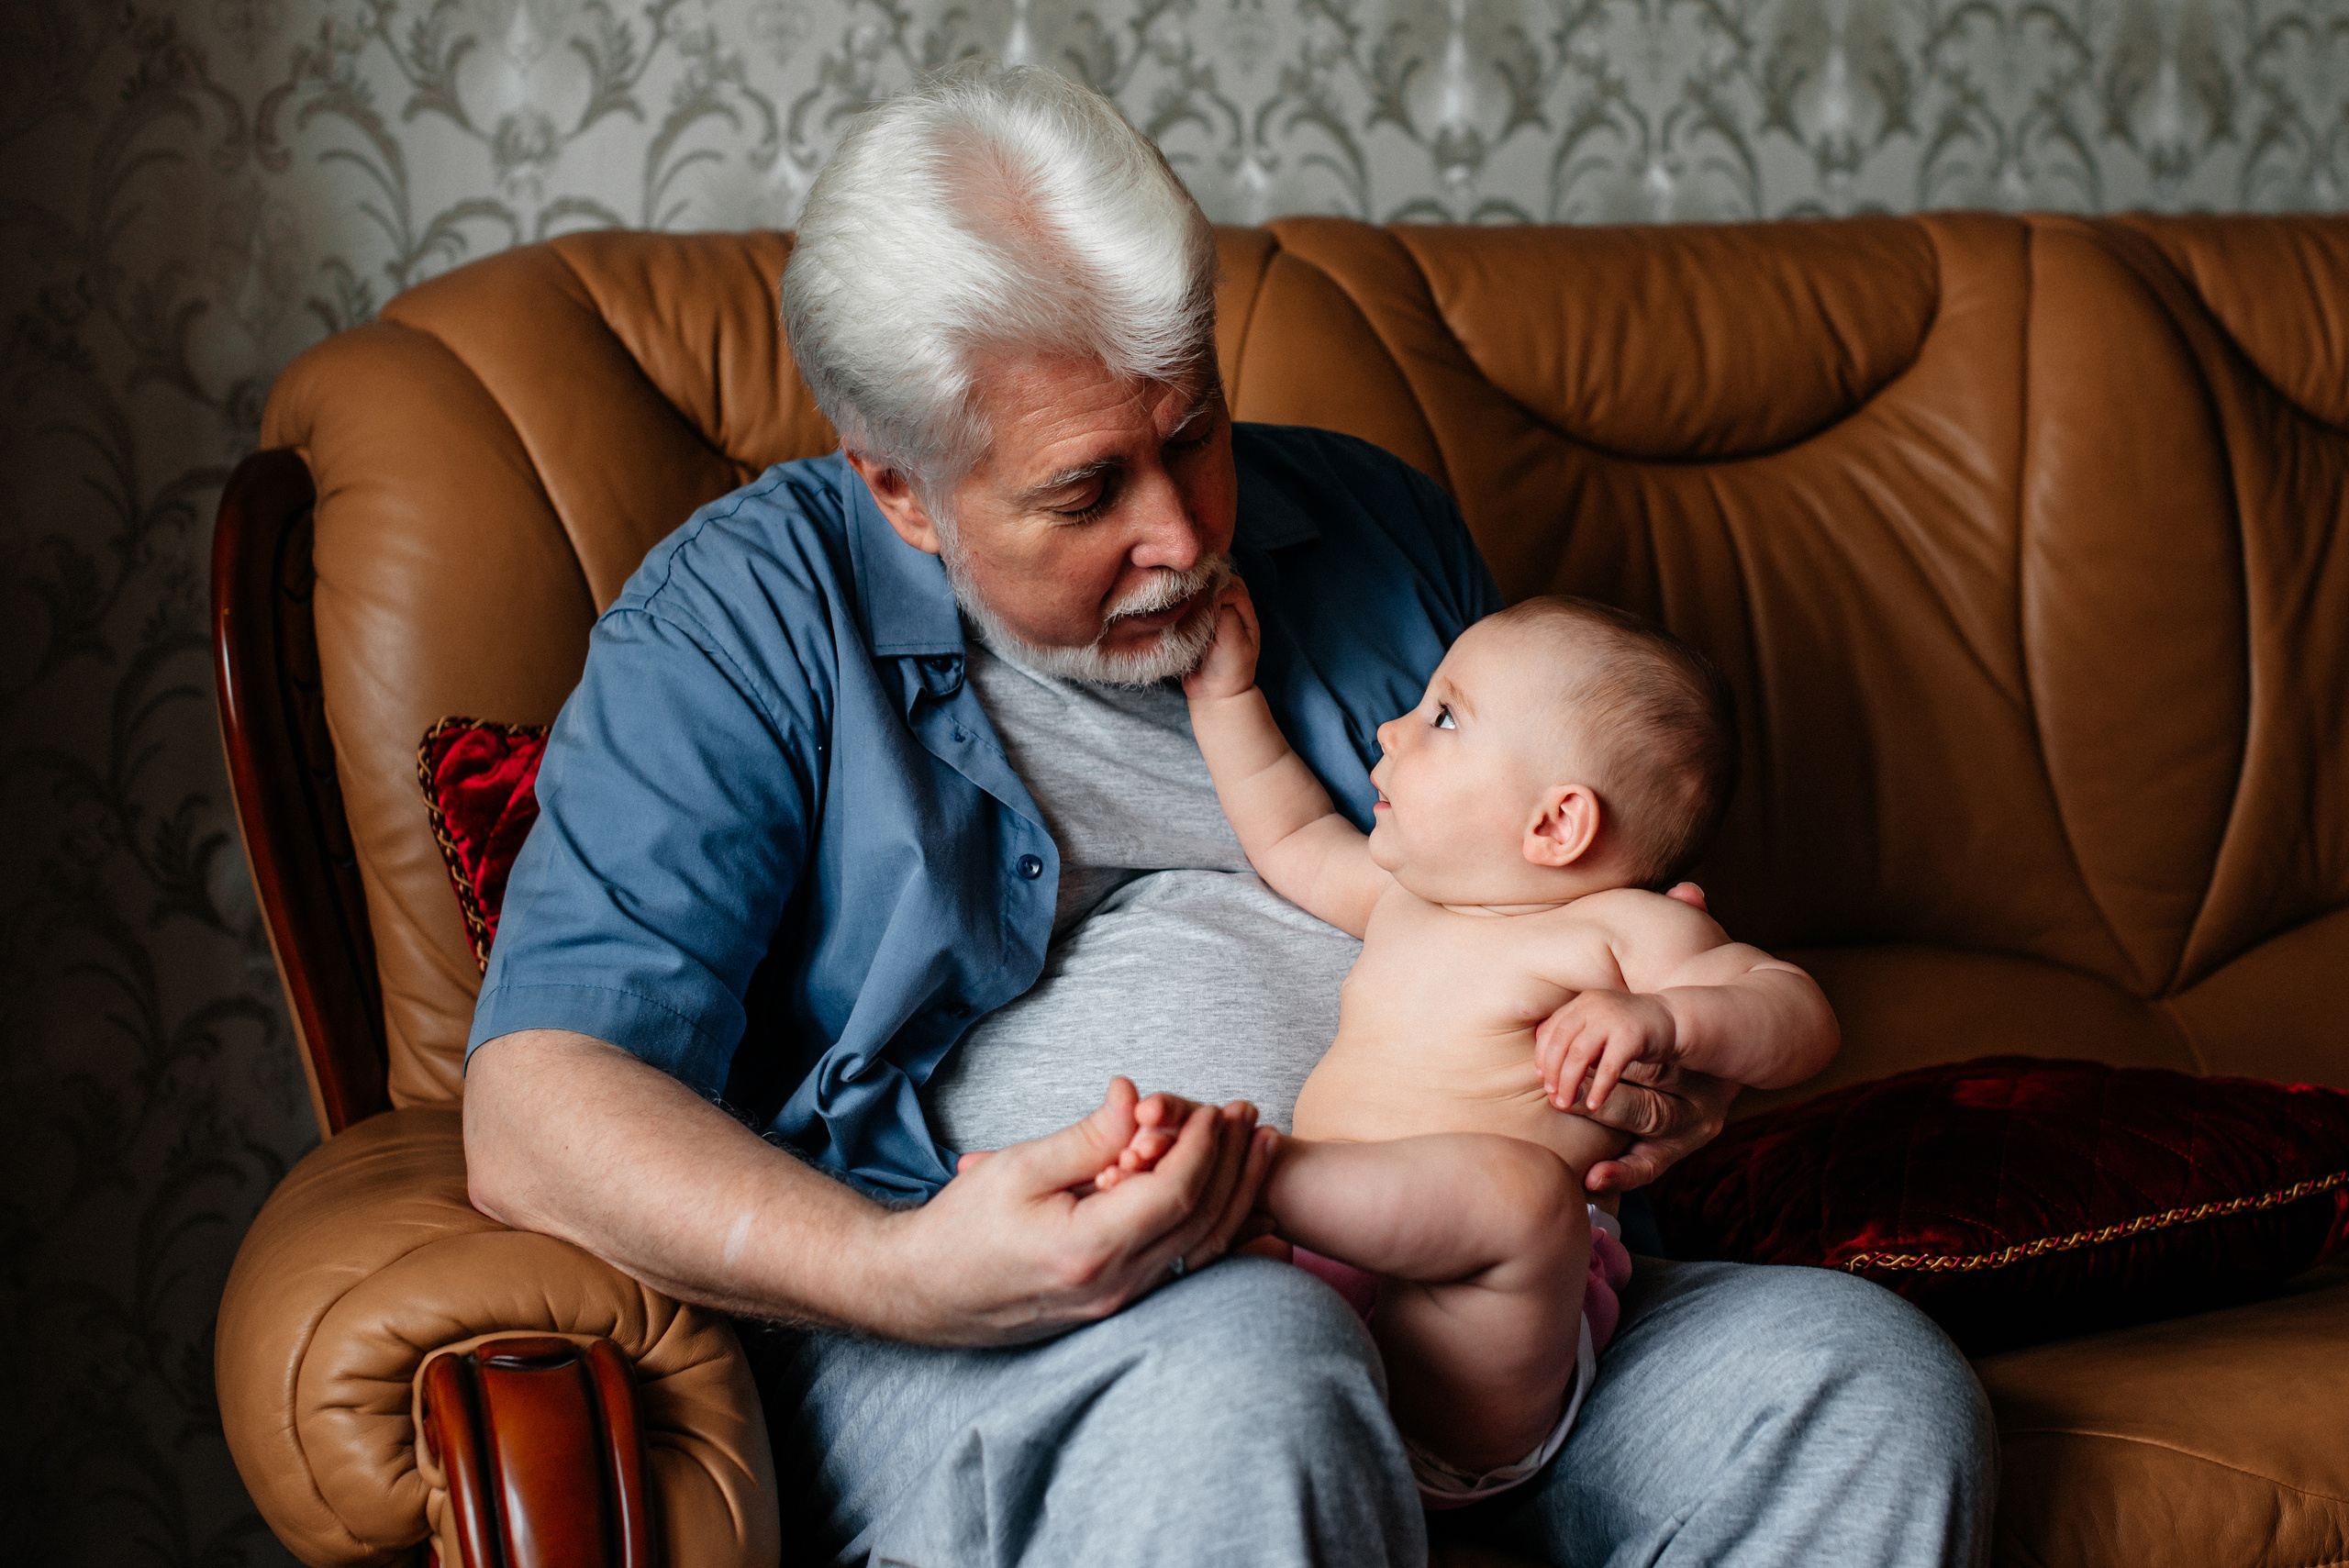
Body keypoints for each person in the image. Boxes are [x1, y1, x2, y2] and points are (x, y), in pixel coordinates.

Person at [461, 63, 1996, 1567]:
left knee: (1859, 1374)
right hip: (1031, 1331)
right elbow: (536, 1105)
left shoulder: (1378, 527)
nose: (1186, 535)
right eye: (1085, 492)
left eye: (1193, 430)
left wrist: (1663, 1068)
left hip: (1485, 1292)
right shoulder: (740, 614)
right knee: (1254, 1361)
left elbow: (1571, 922)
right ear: (902, 488)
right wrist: (907, 1270)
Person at [1078, 587, 1842, 1505]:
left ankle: (1240, 1174)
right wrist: (1225, 700)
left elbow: (1797, 1013)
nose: (1393, 729)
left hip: (1482, 1328)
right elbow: (1288, 834)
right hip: (1309, 1302)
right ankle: (1207, 1219)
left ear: (1556, 823)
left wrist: (1674, 1020)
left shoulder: (1620, 931)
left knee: (1521, 1199)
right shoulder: (1404, 900)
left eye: (1442, 715)